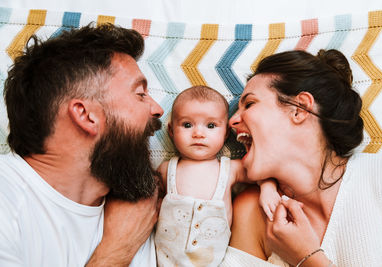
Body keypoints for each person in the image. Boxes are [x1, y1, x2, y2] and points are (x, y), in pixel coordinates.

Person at [0, 23, 165, 266]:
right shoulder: (7, 199)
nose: (158, 110)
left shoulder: (139, 210)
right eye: (140, 94)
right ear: (86, 115)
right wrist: (117, 248)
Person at [223, 49, 382, 266]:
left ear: (299, 109)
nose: (232, 121)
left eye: (249, 104)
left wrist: (306, 258)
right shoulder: (253, 213)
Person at [154, 85, 281, 266]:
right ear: (172, 131)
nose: (198, 133)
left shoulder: (229, 169)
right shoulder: (166, 169)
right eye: (187, 125)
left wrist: (268, 189)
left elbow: (260, 172)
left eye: (211, 126)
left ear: (225, 133)